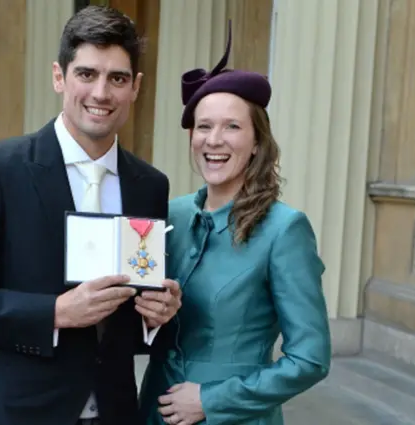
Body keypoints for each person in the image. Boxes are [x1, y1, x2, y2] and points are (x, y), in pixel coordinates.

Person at [0, 6, 182, 425]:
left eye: (117, 78)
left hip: (114, 412)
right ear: (59, 76)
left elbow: (132, 320)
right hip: (18, 412)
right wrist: (55, 313)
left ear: (135, 87)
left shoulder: (150, 185)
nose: (101, 93)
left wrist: (157, 317)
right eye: (86, 73)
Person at [139, 22, 331, 425]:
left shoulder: (285, 229)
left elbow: (310, 358)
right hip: (152, 412)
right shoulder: (170, 215)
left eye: (232, 126)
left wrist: (213, 399)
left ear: (257, 141)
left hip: (232, 417)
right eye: (204, 126)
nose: (214, 140)